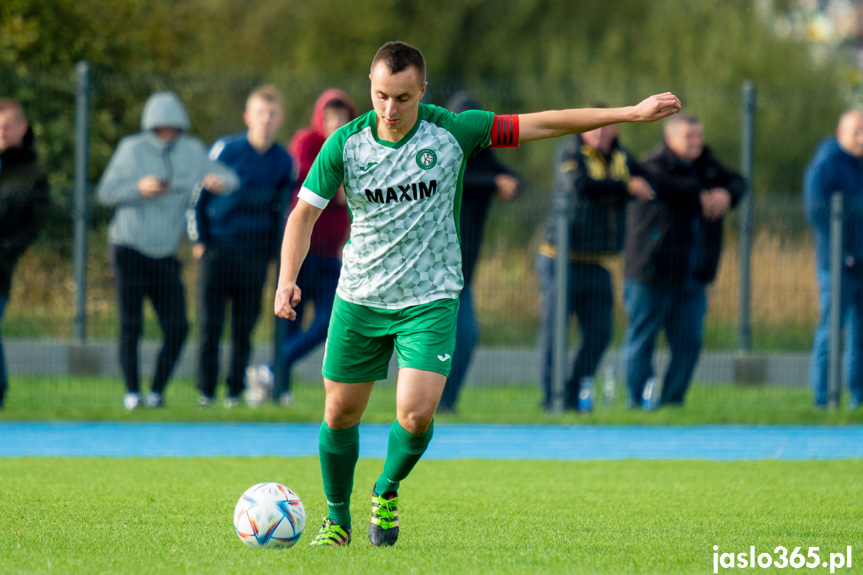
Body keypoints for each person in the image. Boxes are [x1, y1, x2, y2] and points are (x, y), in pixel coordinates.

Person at [274, 41, 680, 547]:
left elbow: (545, 122)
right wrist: (286, 278)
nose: (390, 109)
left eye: (403, 98)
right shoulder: (345, 145)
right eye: (381, 96)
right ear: (370, 89)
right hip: (360, 297)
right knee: (340, 413)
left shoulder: (453, 131)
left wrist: (630, 113)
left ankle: (386, 489)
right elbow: (303, 216)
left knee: (416, 415)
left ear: (422, 90)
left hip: (431, 297)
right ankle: (337, 520)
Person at [97, 91, 239, 410]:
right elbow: (105, 193)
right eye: (161, 127)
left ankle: (156, 391)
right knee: (130, 323)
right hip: (128, 247)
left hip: (165, 253)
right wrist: (138, 188)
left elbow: (231, 179)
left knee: (178, 326)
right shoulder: (130, 150)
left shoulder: (191, 151)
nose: (167, 133)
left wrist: (219, 182)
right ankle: (132, 393)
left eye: (173, 127)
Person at [623, 113, 744, 408]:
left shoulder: (706, 166)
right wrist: (701, 194)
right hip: (651, 272)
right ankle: (639, 403)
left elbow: (739, 181)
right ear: (670, 138)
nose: (696, 143)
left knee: (689, 343)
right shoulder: (653, 165)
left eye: (699, 136)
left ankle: (672, 401)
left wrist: (726, 195)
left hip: (692, 276)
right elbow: (667, 186)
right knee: (642, 341)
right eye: (689, 137)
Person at [536, 116, 654, 412]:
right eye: (595, 128)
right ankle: (553, 400)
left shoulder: (622, 157)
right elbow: (581, 187)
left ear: (616, 130)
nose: (601, 133)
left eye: (607, 127)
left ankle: (574, 392)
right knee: (555, 332)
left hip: (597, 263)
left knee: (601, 332)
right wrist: (626, 188)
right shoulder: (570, 154)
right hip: (560, 260)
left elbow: (651, 178)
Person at [187, 86, 295, 408]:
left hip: (255, 255)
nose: (266, 120)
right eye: (260, 113)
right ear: (248, 117)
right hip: (218, 250)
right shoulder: (226, 150)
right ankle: (206, 392)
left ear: (281, 119)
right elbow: (198, 195)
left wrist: (277, 255)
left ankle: (234, 392)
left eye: (272, 114)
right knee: (210, 324)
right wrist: (199, 240)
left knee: (244, 328)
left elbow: (285, 213)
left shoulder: (284, 162)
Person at [436, 91, 521, 414]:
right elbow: (461, 180)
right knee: (443, 338)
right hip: (435, 267)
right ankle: (432, 401)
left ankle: (446, 403)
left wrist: (507, 183)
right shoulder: (442, 153)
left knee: (467, 336)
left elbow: (516, 179)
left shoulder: (483, 155)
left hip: (463, 269)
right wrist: (494, 183)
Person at [273, 89, 355, 406]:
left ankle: (270, 370)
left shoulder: (355, 144)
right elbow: (313, 180)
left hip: (331, 254)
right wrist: (340, 187)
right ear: (319, 118)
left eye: (341, 116)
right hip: (302, 252)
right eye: (329, 116)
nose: (335, 122)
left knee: (328, 321)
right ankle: (280, 388)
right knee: (290, 317)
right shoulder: (307, 142)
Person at [804, 109, 863, 409]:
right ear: (841, 133)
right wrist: (846, 253)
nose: (862, 139)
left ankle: (858, 399)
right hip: (838, 267)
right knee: (831, 331)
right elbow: (817, 212)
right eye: (856, 132)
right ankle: (824, 399)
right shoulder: (826, 165)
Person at [0, 99, 49, 410]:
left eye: (7, 127)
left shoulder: (32, 171)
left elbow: (34, 222)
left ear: (22, 128)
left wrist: (7, 251)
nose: (2, 133)